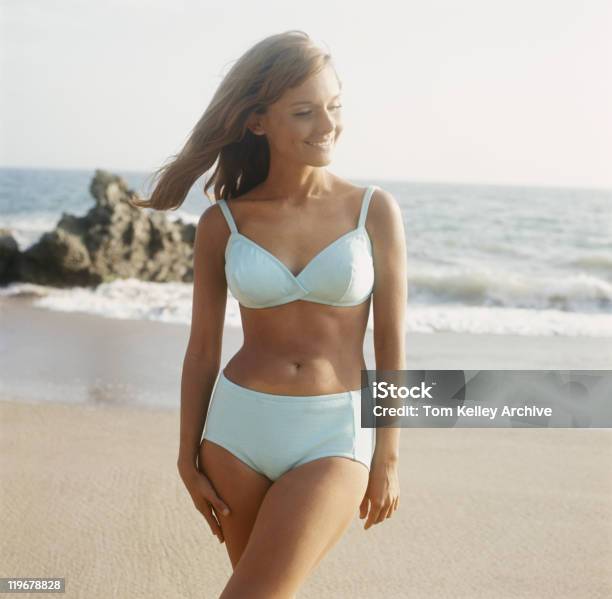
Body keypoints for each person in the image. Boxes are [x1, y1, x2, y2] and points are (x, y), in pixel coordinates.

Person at [135, 29, 407, 599]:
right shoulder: (223, 223)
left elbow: (391, 345)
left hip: (335, 433)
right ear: (258, 121)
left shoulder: (372, 210)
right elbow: (202, 349)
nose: (327, 125)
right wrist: (186, 456)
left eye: (334, 107)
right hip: (236, 432)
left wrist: (388, 453)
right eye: (305, 112)